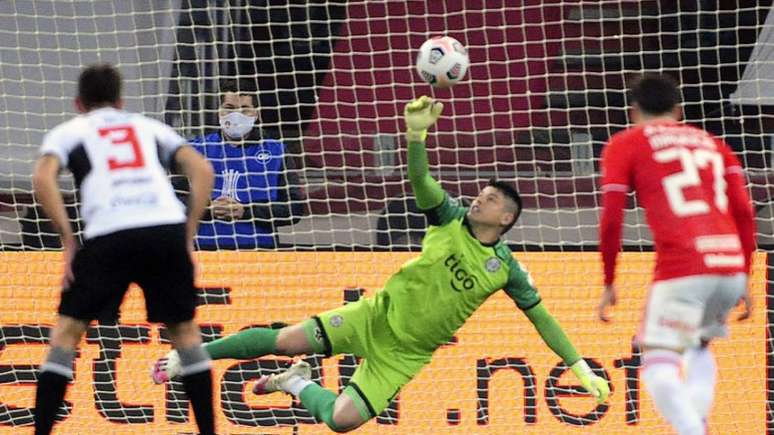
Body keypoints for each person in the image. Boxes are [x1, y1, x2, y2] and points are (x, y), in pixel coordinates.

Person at [152, 96, 610, 432]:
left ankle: (294, 385)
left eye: (489, 200)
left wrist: (580, 366)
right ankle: (186, 358)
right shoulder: (448, 216)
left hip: (404, 354)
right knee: (288, 338)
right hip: (374, 316)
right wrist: (416, 135)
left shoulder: (506, 268)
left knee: (341, 420)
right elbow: (420, 179)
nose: (478, 199)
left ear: (505, 219)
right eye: (481, 192)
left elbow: (542, 318)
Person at [31, 64, 216, 435]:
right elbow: (203, 170)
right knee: (186, 334)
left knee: (68, 332)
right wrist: (188, 232)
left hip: (110, 233)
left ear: (78, 103)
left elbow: (42, 177)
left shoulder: (70, 131)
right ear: (121, 100)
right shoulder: (149, 126)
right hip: (164, 228)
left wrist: (69, 241)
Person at [596, 74, 756, 435]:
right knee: (699, 347)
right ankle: (696, 425)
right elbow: (744, 212)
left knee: (656, 362)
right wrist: (745, 274)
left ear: (633, 111)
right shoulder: (714, 144)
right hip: (729, 265)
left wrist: (609, 279)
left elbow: (611, 218)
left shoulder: (627, 143)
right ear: (678, 110)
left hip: (684, 267)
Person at [186, 78, 304, 249]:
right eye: (229, 108)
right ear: (219, 111)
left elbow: (294, 209)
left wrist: (245, 211)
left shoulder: (277, 151)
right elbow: (172, 202)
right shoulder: (194, 150)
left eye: (245, 110)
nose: (236, 116)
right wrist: (208, 209)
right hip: (203, 251)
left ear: (256, 114)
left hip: (259, 253)